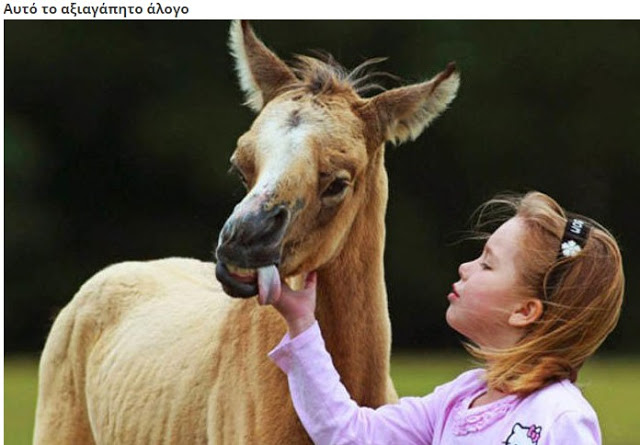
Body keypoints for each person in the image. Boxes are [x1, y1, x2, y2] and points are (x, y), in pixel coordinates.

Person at [261, 191, 624, 445]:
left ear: (524, 311)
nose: (466, 268)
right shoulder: (458, 399)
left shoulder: (559, 418)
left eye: (487, 263)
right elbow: (351, 434)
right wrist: (302, 323)